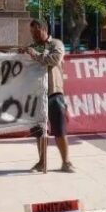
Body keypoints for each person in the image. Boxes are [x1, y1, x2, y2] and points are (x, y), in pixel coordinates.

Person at [20, 19, 74, 173]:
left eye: (36, 32)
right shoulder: (31, 47)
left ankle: (66, 162)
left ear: (44, 29)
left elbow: (53, 59)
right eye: (32, 33)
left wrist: (35, 55)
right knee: (39, 132)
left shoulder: (56, 44)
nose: (34, 36)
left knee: (60, 129)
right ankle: (42, 162)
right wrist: (22, 54)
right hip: (37, 94)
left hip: (54, 93)